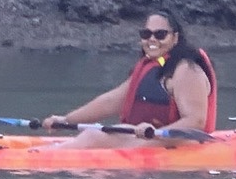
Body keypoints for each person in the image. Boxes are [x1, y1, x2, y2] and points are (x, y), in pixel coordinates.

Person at [41, 9, 216, 148]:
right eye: (146, 34)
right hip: (148, 137)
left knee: (94, 135)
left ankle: (43, 158)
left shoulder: (187, 70)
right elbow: (111, 101)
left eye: (160, 34)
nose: (152, 39)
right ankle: (50, 152)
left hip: (178, 143)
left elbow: (195, 121)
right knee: (96, 133)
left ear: (175, 38)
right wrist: (66, 120)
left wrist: (155, 133)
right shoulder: (151, 66)